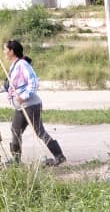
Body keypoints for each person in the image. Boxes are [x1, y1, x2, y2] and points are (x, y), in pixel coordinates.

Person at [2, 39, 66, 167]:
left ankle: (59, 156)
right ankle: (16, 161)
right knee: (15, 131)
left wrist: (24, 96)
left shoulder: (22, 64)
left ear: (12, 51)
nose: (4, 51)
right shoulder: (14, 65)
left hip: (30, 105)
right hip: (21, 107)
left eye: (5, 49)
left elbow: (34, 82)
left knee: (39, 131)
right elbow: (10, 86)